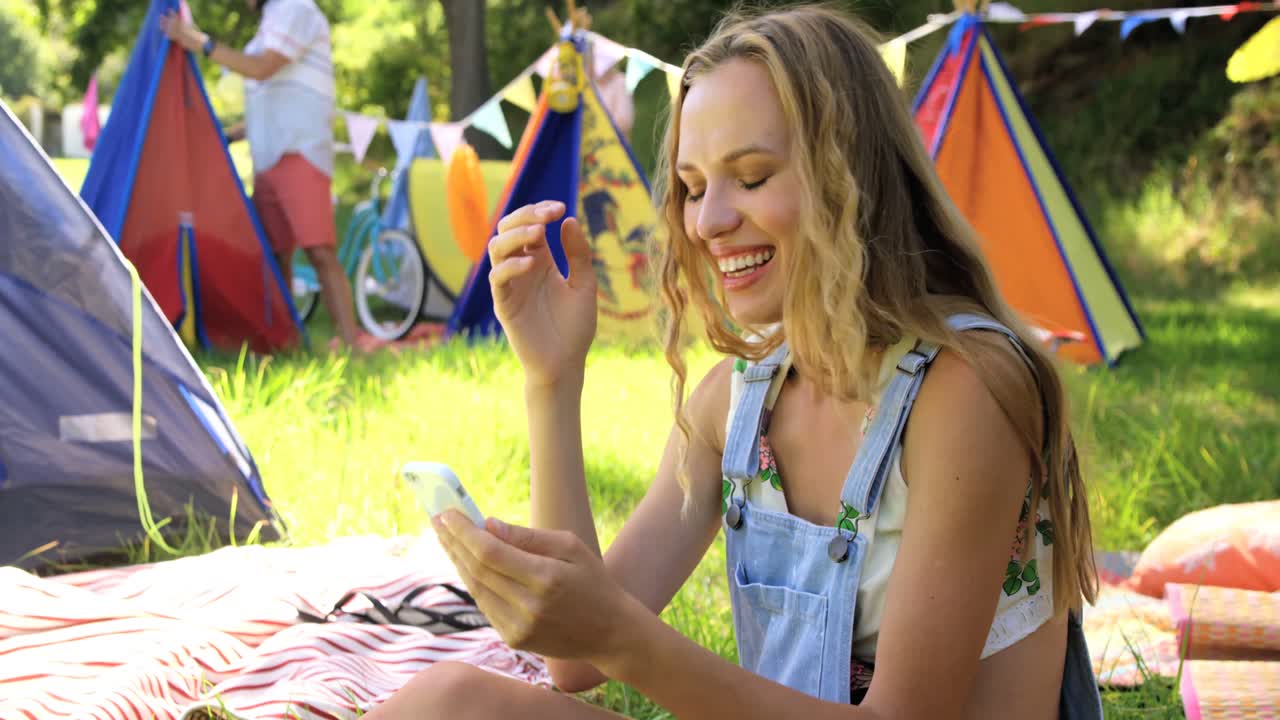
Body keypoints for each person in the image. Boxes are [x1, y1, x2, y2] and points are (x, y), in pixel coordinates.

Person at [367, 5, 1103, 719]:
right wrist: (553, 379)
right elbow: (575, 661)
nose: (709, 221)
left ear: (853, 176)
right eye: (692, 188)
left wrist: (624, 634)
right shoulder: (738, 405)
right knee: (446, 702)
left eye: (749, 177)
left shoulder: (962, 389)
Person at [160, 0, 378, 352]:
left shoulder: (296, 8)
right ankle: (287, 341)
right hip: (268, 156)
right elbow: (271, 100)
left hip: (300, 151)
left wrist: (201, 42)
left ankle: (352, 346)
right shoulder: (269, 23)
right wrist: (227, 135)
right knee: (276, 256)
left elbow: (262, 68)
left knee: (319, 251)